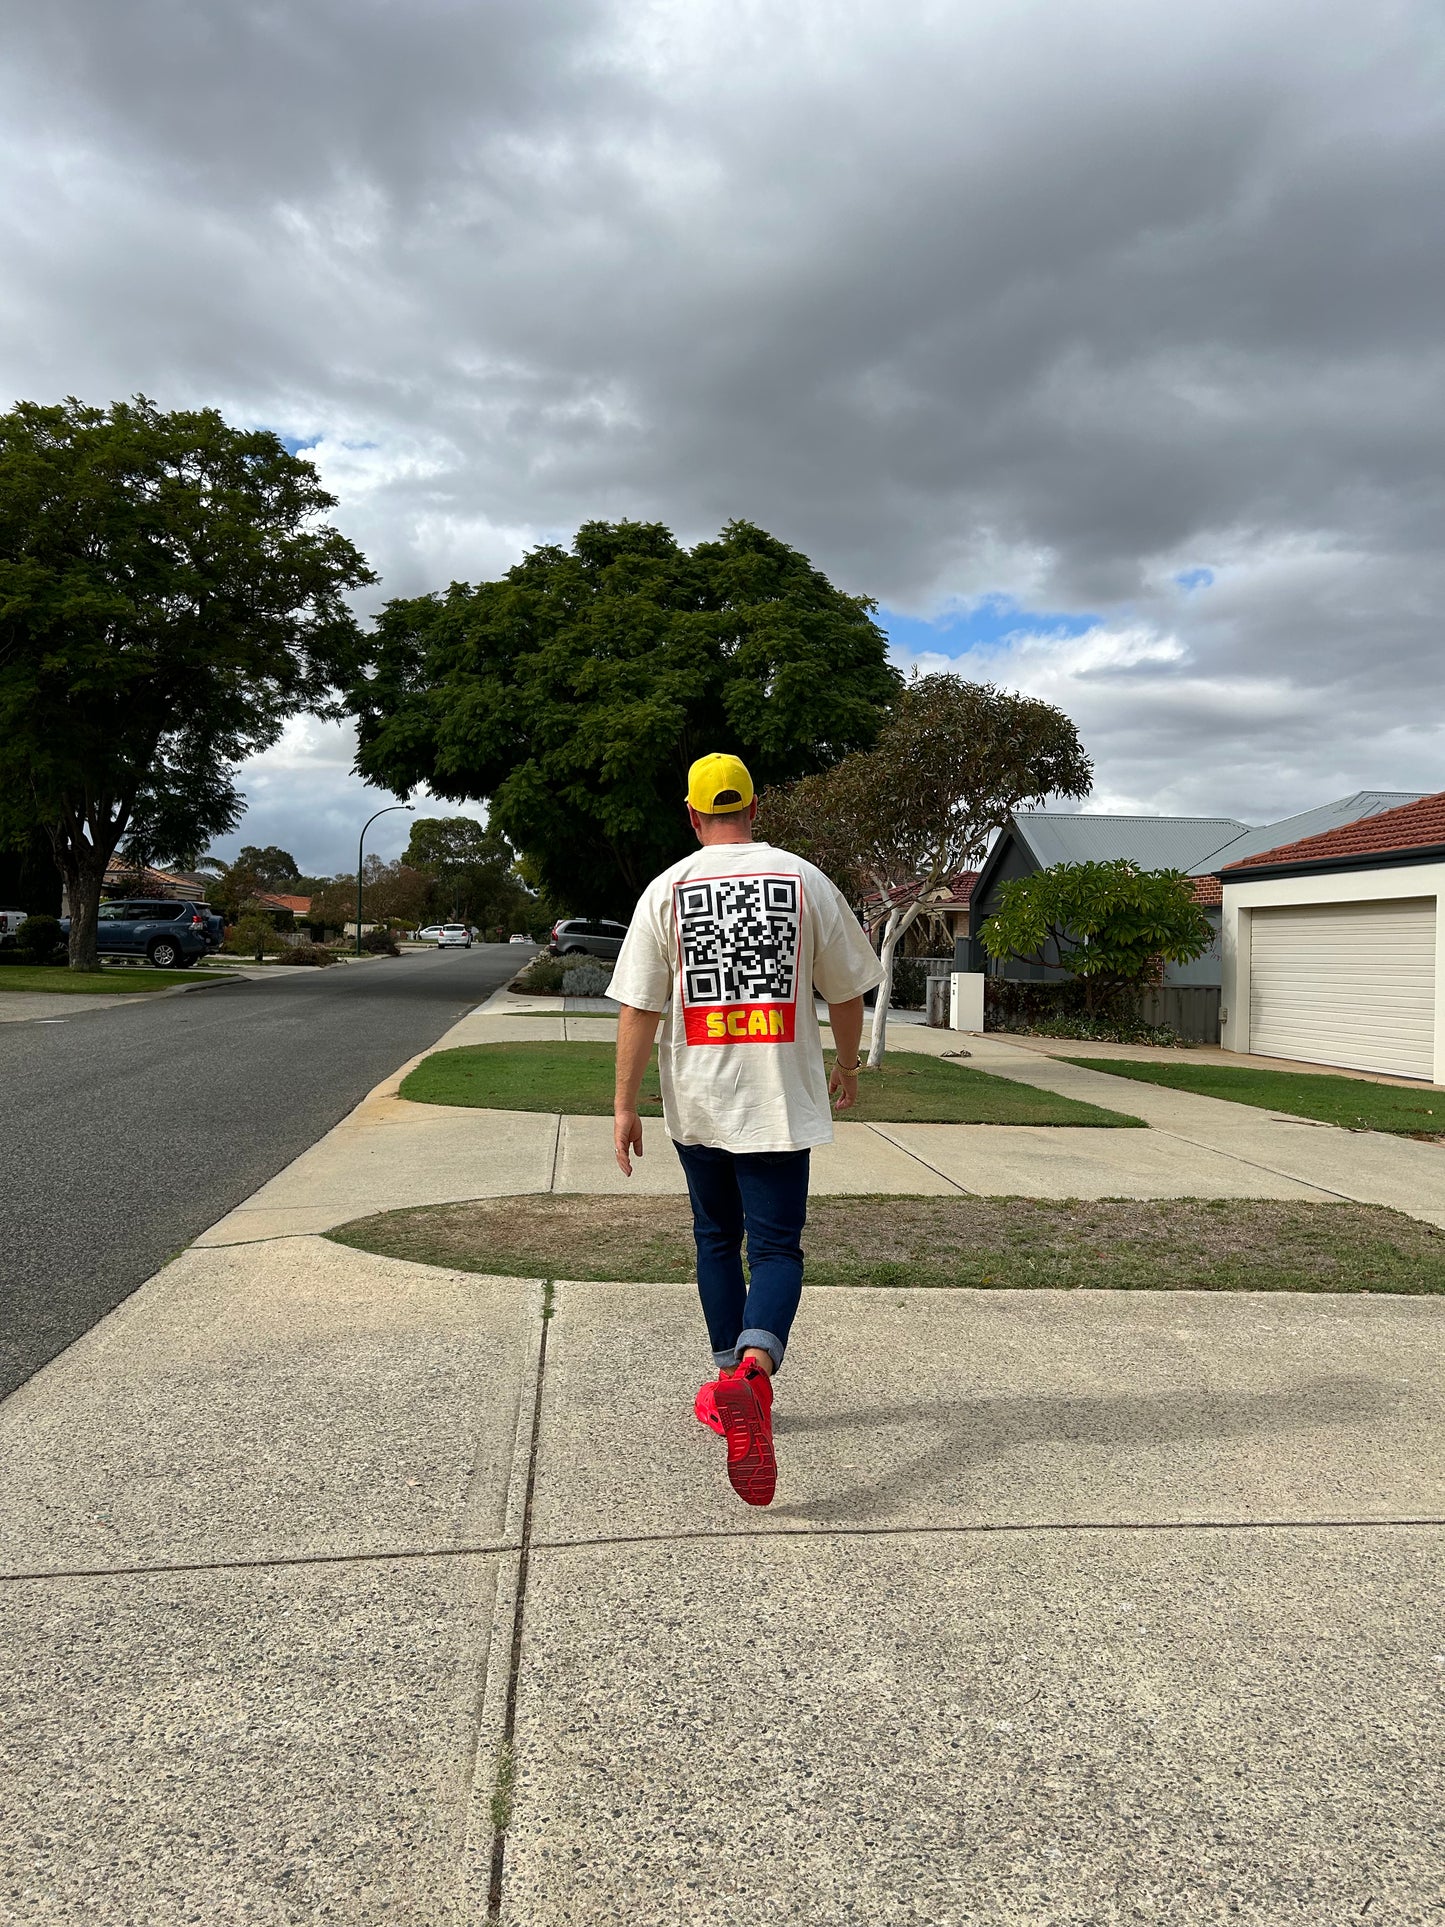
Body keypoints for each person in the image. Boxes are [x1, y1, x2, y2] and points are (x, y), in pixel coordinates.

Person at [608, 752, 884, 1506]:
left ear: (693, 816)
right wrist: (849, 1061)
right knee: (775, 1247)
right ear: (754, 809)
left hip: (697, 1101)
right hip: (777, 1101)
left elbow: (639, 1008)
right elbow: (851, 986)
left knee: (712, 1240)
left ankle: (728, 1377)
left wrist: (625, 1103)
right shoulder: (802, 879)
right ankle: (752, 1374)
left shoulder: (666, 889)